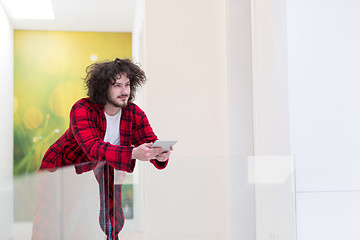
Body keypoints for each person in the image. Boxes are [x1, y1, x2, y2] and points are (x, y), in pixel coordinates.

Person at [36, 58, 172, 240]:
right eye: (117, 85)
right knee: (55, 225)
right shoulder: (82, 108)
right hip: (62, 170)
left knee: (111, 219)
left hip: (104, 170)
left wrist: (160, 155)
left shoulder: (134, 113)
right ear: (103, 87)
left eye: (128, 84)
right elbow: (93, 148)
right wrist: (132, 153)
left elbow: (149, 142)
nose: (124, 91)